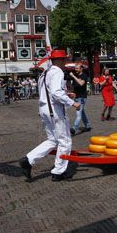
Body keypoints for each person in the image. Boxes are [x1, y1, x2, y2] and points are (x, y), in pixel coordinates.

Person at [19, 49, 80, 182]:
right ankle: (58, 172)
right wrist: (72, 103)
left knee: (53, 140)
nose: (65, 62)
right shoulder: (57, 71)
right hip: (55, 110)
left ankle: (28, 160)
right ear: (59, 60)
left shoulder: (45, 72)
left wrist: (66, 94)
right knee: (64, 141)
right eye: (64, 59)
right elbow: (56, 93)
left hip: (44, 109)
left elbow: (47, 92)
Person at [69, 63, 92, 135]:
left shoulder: (84, 75)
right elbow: (75, 87)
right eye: (75, 68)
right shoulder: (76, 75)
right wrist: (72, 94)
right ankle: (87, 126)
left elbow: (81, 83)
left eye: (77, 68)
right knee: (82, 112)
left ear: (81, 69)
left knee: (78, 113)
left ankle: (74, 128)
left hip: (82, 97)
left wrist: (73, 76)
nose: (75, 69)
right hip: (77, 97)